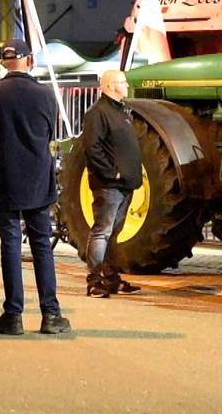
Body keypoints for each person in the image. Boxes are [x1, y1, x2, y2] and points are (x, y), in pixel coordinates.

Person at [0, 39, 71, 335]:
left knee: (10, 243)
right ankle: (51, 314)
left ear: (4, 61)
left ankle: (13, 315)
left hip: (4, 177)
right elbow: (48, 134)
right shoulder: (45, 95)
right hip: (37, 179)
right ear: (29, 61)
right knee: (42, 244)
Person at [79, 69, 143, 298]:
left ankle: (111, 277)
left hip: (125, 184)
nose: (127, 85)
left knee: (113, 232)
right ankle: (94, 281)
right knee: (102, 232)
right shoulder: (98, 113)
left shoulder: (122, 111)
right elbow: (92, 147)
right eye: (123, 82)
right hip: (110, 185)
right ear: (110, 86)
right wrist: (112, 173)